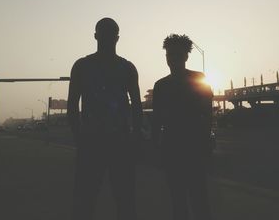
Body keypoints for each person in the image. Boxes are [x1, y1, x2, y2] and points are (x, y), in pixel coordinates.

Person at [67, 17, 143, 220]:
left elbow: (72, 108)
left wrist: (80, 138)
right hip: (114, 142)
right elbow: (136, 107)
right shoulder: (127, 68)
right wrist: (135, 138)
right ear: (117, 38)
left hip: (96, 142)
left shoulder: (82, 66)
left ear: (95, 36)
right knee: (124, 202)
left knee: (85, 202)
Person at [152, 34, 213, 220]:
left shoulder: (197, 79)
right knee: (178, 201)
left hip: (193, 147)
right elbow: (157, 120)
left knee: (198, 200)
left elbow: (207, 114)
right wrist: (156, 147)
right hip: (172, 148)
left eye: (177, 55)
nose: (172, 60)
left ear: (186, 57)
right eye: (170, 55)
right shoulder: (160, 86)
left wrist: (205, 141)